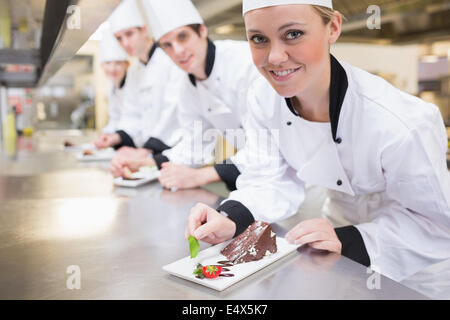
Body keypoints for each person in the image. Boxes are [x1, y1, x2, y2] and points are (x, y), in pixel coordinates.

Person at [185, 0, 450, 282]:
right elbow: (269, 178)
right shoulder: (263, 99)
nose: (274, 57)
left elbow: (436, 225)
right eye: (259, 39)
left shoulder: (401, 122)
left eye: (293, 34)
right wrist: (230, 216)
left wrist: (351, 240)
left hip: (413, 268)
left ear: (333, 27)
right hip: (329, 249)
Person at [110, 0, 261, 191]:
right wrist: (145, 163)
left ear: (202, 31)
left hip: (300, 188)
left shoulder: (245, 64)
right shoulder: (189, 86)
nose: (178, 51)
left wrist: (200, 176)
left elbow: (267, 146)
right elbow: (194, 146)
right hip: (259, 183)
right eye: (167, 45)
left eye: (183, 37)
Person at [96, 0, 182, 164]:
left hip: (174, 150)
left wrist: (147, 149)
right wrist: (115, 137)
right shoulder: (134, 70)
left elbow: (173, 111)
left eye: (129, 34)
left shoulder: (169, 59)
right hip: (148, 152)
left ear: (144, 30)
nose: (125, 43)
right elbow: (131, 113)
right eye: (119, 38)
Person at [93, 30, 129, 142]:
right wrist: (105, 135)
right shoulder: (111, 87)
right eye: (108, 63)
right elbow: (115, 117)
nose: (112, 69)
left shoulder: (134, 85)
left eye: (118, 63)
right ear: (102, 66)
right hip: (122, 139)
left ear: (127, 64)